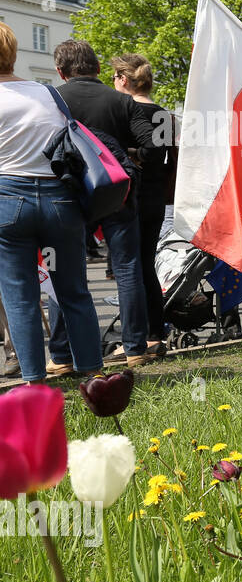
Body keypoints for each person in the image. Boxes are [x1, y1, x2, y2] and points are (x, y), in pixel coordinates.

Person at [0, 23, 103, 382]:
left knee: (20, 297)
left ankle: (34, 381)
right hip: (60, 200)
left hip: (8, 201)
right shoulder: (47, 93)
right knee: (74, 291)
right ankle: (93, 374)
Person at [50, 39, 157, 370]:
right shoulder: (121, 101)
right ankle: (135, 346)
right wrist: (125, 156)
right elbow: (153, 147)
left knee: (64, 270)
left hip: (68, 193)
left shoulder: (53, 99)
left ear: (60, 71)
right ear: (98, 68)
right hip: (115, 191)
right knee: (127, 267)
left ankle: (63, 355)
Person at [111, 54, 173, 353]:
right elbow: (167, 157)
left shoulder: (125, 110)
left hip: (132, 194)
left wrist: (132, 153)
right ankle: (155, 333)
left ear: (124, 79)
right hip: (157, 196)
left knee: (129, 267)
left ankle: (134, 337)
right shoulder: (164, 113)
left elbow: (145, 152)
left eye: (114, 77)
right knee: (147, 264)